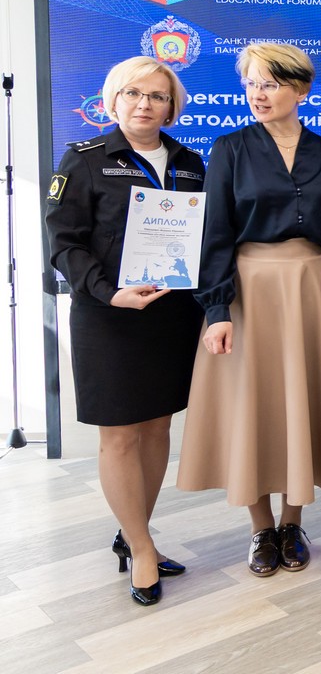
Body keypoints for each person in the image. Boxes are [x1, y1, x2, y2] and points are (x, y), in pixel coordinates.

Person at [177, 42, 321, 576]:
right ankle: (260, 528)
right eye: (251, 84)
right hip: (250, 290)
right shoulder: (229, 149)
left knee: (300, 404)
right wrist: (216, 310)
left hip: (313, 289)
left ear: (301, 89)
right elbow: (215, 234)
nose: (258, 95)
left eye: (270, 84)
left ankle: (293, 523)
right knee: (256, 406)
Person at [45, 56, 204, 606]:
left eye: (158, 96)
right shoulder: (84, 159)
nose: (145, 104)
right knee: (119, 435)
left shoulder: (190, 163)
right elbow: (64, 244)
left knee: (157, 428)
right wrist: (109, 291)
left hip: (171, 317)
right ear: (113, 101)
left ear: (172, 106)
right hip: (108, 316)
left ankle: (134, 532)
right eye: (134, 93)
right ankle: (141, 548)